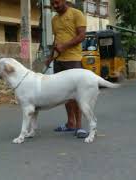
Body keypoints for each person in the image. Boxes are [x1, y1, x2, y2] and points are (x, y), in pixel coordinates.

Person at [46, 0, 88, 138]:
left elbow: (82, 36)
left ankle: (79, 126)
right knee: (65, 95)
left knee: (75, 94)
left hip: (73, 60)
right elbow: (56, 40)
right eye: (53, 4)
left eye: (57, 3)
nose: (55, 6)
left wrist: (65, 46)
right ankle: (70, 123)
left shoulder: (76, 13)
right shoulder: (54, 19)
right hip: (59, 61)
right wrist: (50, 57)